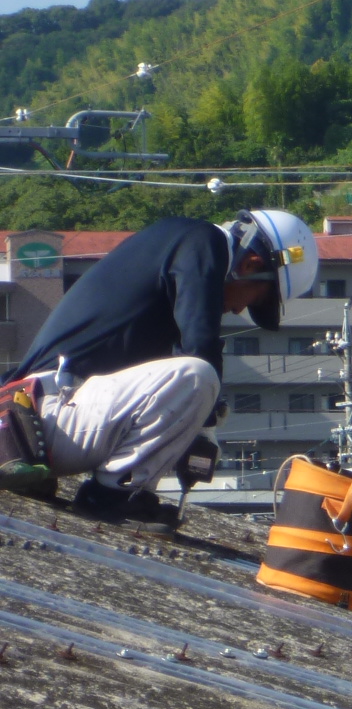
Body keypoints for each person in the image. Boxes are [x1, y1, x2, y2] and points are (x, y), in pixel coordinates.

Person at [0, 209, 319, 532]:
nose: (238, 310)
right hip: (48, 417)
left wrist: (192, 429)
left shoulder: (165, 261)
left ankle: (125, 491)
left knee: (192, 375)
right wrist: (205, 427)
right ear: (251, 264)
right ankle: (110, 496)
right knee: (198, 375)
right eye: (256, 299)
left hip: (43, 421)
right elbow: (201, 347)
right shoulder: (202, 241)